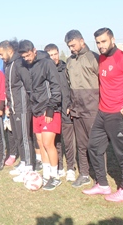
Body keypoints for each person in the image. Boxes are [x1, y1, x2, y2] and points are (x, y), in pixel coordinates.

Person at [83, 28, 123, 202]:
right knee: (93, 146)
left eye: (104, 41)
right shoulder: (102, 59)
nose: (100, 45)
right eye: (98, 42)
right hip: (102, 112)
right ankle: (103, 184)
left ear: (112, 39)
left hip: (118, 114)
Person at [18, 40, 62, 190]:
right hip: (36, 110)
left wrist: (51, 108)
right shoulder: (25, 65)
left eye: (28, 55)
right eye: (24, 57)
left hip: (49, 109)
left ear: (34, 50)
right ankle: (47, 173)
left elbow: (56, 86)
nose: (27, 59)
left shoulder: (46, 63)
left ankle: (55, 176)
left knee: (48, 143)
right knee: (40, 142)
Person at [64, 29, 99, 188]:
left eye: (73, 45)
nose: (71, 49)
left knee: (96, 144)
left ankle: (100, 176)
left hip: (93, 109)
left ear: (82, 41)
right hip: (77, 110)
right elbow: (69, 85)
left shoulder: (94, 58)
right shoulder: (70, 62)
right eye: (69, 46)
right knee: (81, 144)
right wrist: (71, 106)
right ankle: (84, 173)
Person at [0, 40, 34, 182]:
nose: (0, 57)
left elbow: (27, 84)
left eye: (1, 54)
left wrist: (27, 102)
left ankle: (29, 167)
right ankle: (23, 163)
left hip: (23, 107)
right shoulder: (9, 64)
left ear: (9, 50)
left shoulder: (19, 63)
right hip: (13, 108)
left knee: (25, 137)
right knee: (18, 136)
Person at [44, 43, 76, 182]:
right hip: (54, 111)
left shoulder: (66, 68)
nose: (54, 57)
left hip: (67, 109)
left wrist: (71, 104)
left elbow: (73, 87)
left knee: (69, 141)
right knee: (56, 142)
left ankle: (71, 168)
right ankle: (59, 167)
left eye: (55, 54)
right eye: (50, 55)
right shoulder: (45, 71)